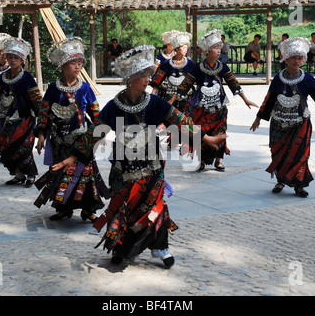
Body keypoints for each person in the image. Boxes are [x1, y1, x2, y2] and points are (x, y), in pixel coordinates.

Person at [51, 45, 226, 268]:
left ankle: (160, 247)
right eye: (144, 76)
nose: (148, 80)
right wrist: (73, 157)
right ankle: (121, 248)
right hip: (122, 169)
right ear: (131, 79)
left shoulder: (155, 103)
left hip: (151, 166)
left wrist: (206, 138)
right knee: (123, 208)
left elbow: (180, 121)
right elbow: (95, 131)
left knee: (155, 206)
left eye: (148, 75)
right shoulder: (114, 106)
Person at [250, 37, 315, 198]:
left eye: (300, 58)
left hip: (301, 123)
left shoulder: (307, 78)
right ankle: (280, 181)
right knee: (278, 154)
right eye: (293, 58)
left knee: (300, 154)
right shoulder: (277, 79)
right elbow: (269, 99)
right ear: (286, 59)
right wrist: (258, 118)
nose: (297, 61)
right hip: (279, 123)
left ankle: (299, 185)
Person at [34, 37, 109, 222]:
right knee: (61, 173)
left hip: (81, 140)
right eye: (73, 63)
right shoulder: (53, 89)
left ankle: (88, 210)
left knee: (85, 174)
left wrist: (99, 132)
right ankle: (63, 208)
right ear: (62, 66)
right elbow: (43, 111)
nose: (77, 67)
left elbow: (95, 111)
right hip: (59, 140)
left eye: (80, 63)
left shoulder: (85, 88)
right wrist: (41, 134)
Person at [173, 29, 258, 172]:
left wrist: (246, 99)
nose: (219, 51)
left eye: (219, 48)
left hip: (219, 106)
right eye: (215, 48)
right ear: (207, 51)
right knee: (201, 132)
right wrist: (172, 100)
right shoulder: (197, 68)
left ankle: (218, 161)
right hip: (201, 106)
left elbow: (233, 83)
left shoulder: (222, 66)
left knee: (221, 132)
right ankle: (200, 161)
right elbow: (185, 85)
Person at [0, 37, 42, 187]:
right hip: (5, 117)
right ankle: (18, 174)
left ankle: (31, 174)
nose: (12, 60)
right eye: (10, 57)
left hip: (24, 118)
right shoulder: (3, 76)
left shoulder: (27, 78)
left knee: (23, 147)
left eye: (16, 58)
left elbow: (36, 99)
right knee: (5, 146)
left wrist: (42, 120)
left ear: (22, 60)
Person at [150, 31, 195, 115]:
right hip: (170, 96)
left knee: (186, 122)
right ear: (177, 49)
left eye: (186, 48)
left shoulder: (190, 64)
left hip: (187, 98)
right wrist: (152, 95)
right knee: (169, 121)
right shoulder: (167, 63)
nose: (186, 50)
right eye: (183, 47)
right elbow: (158, 79)